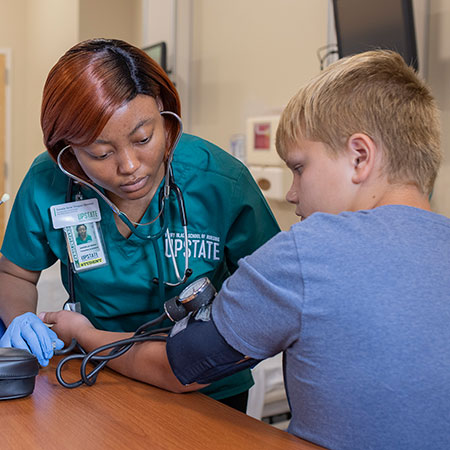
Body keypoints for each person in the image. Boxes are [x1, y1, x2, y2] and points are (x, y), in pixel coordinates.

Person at [42, 49, 450, 449]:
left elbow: (176, 367)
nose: (291, 193)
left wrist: (84, 333)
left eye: (299, 167)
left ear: (360, 157)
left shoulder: (305, 254)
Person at [0, 38, 280, 412]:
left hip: (209, 392)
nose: (129, 166)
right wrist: (20, 319)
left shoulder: (221, 181)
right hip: (94, 372)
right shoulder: (48, 182)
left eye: (143, 138)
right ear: (67, 152)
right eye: (100, 153)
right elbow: (16, 273)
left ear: (166, 116)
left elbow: (273, 291)